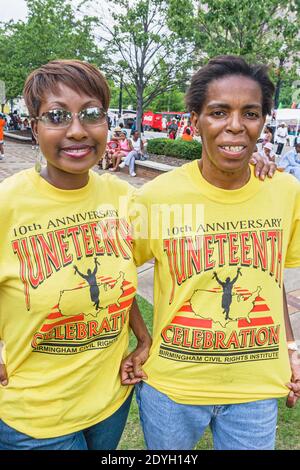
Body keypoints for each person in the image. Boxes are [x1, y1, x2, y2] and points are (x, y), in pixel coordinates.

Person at [123, 55, 300, 450]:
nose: (235, 125)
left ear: (263, 121)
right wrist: (141, 338)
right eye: (219, 112)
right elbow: (114, 274)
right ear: (195, 120)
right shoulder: (157, 197)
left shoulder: (285, 192)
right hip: (172, 387)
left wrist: (291, 350)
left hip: (254, 390)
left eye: (250, 113)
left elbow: (273, 285)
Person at [0, 59, 151, 450]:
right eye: (56, 116)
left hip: (111, 399)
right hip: (36, 416)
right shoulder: (8, 205)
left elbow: (121, 278)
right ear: (34, 128)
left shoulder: (122, 199)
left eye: (91, 114)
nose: (77, 130)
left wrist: (242, 165)